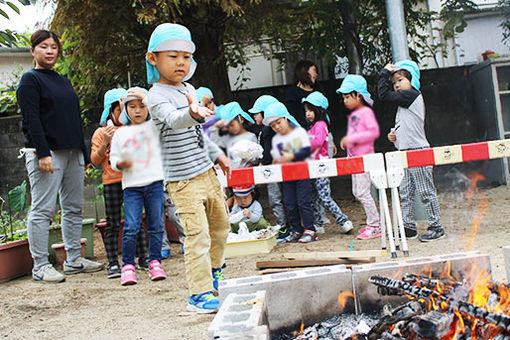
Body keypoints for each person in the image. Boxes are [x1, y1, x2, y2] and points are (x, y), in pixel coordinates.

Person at [145, 23, 231, 313]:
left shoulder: (189, 89)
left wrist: (217, 154)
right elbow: (174, 120)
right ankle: (199, 293)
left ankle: (214, 272)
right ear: (152, 58)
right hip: (182, 181)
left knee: (221, 227)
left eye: (185, 56)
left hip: (206, 172)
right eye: (173, 56)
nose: (181, 62)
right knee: (197, 236)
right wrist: (192, 112)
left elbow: (196, 134)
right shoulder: (154, 96)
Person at [16, 30, 103, 283]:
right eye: (44, 46)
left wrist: (84, 154)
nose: (50, 51)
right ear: (33, 51)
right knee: (43, 209)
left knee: (74, 208)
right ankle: (40, 265)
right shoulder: (30, 80)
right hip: (46, 153)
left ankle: (74, 260)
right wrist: (43, 153)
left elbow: (73, 119)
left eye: (54, 47)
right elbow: (31, 119)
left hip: (73, 151)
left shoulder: (63, 81)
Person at [378, 60, 445, 242]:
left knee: (425, 191)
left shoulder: (412, 95)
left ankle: (436, 226)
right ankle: (408, 227)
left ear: (412, 80)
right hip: (404, 152)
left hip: (418, 151)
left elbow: (383, 95)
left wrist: (384, 73)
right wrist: (394, 136)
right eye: (394, 82)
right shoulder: (403, 104)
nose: (397, 85)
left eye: (400, 80)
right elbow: (404, 128)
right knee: (405, 191)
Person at [109, 87, 167, 285]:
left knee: (156, 225)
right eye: (132, 107)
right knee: (131, 226)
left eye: (142, 106)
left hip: (155, 183)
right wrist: (120, 164)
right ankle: (128, 266)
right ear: (125, 109)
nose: (137, 110)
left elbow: (161, 112)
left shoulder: (154, 127)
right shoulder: (120, 134)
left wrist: (146, 97)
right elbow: (113, 159)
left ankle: (155, 262)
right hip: (132, 187)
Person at [91, 88, 149, 278]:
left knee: (137, 222)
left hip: (133, 182)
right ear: (110, 111)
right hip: (112, 183)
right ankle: (113, 263)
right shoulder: (101, 132)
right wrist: (105, 142)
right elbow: (95, 160)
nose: (125, 113)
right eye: (120, 109)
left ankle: (143, 258)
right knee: (113, 223)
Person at [263, 101, 317, 243]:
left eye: (278, 122)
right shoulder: (276, 139)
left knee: (303, 201)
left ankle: (310, 229)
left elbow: (306, 150)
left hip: (302, 172)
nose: (276, 127)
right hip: (286, 175)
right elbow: (276, 155)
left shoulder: (298, 132)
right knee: (289, 203)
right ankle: (296, 229)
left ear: (286, 118)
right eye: (273, 126)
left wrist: (291, 156)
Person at [302, 91, 353, 235]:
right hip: (312, 167)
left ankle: (343, 220)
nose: (308, 114)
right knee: (314, 197)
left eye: (310, 110)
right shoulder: (312, 127)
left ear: (320, 110)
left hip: (321, 167)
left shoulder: (321, 125)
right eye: (306, 111)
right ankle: (318, 223)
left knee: (324, 197)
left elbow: (317, 142)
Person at [337, 75, 381, 240]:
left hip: (364, 159)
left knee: (362, 193)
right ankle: (373, 223)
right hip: (355, 159)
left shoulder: (365, 112)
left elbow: (372, 132)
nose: (345, 101)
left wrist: (351, 139)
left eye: (348, 97)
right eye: (344, 98)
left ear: (359, 96)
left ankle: (375, 225)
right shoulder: (358, 113)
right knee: (358, 192)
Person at [248, 95, 289, 239]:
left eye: (256, 114)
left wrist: (262, 166)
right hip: (279, 168)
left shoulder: (267, 132)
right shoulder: (273, 130)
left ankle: (283, 226)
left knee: (275, 199)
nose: (254, 117)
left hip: (272, 170)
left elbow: (267, 153)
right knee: (283, 198)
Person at [209, 101, 257, 168]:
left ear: (241, 119)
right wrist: (215, 127)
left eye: (232, 125)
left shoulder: (250, 137)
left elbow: (255, 159)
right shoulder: (228, 138)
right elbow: (213, 141)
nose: (230, 128)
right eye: (227, 127)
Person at [285, 60, 319, 128]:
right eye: (314, 70)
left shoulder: (317, 90)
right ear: (304, 71)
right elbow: (290, 116)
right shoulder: (292, 93)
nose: (316, 74)